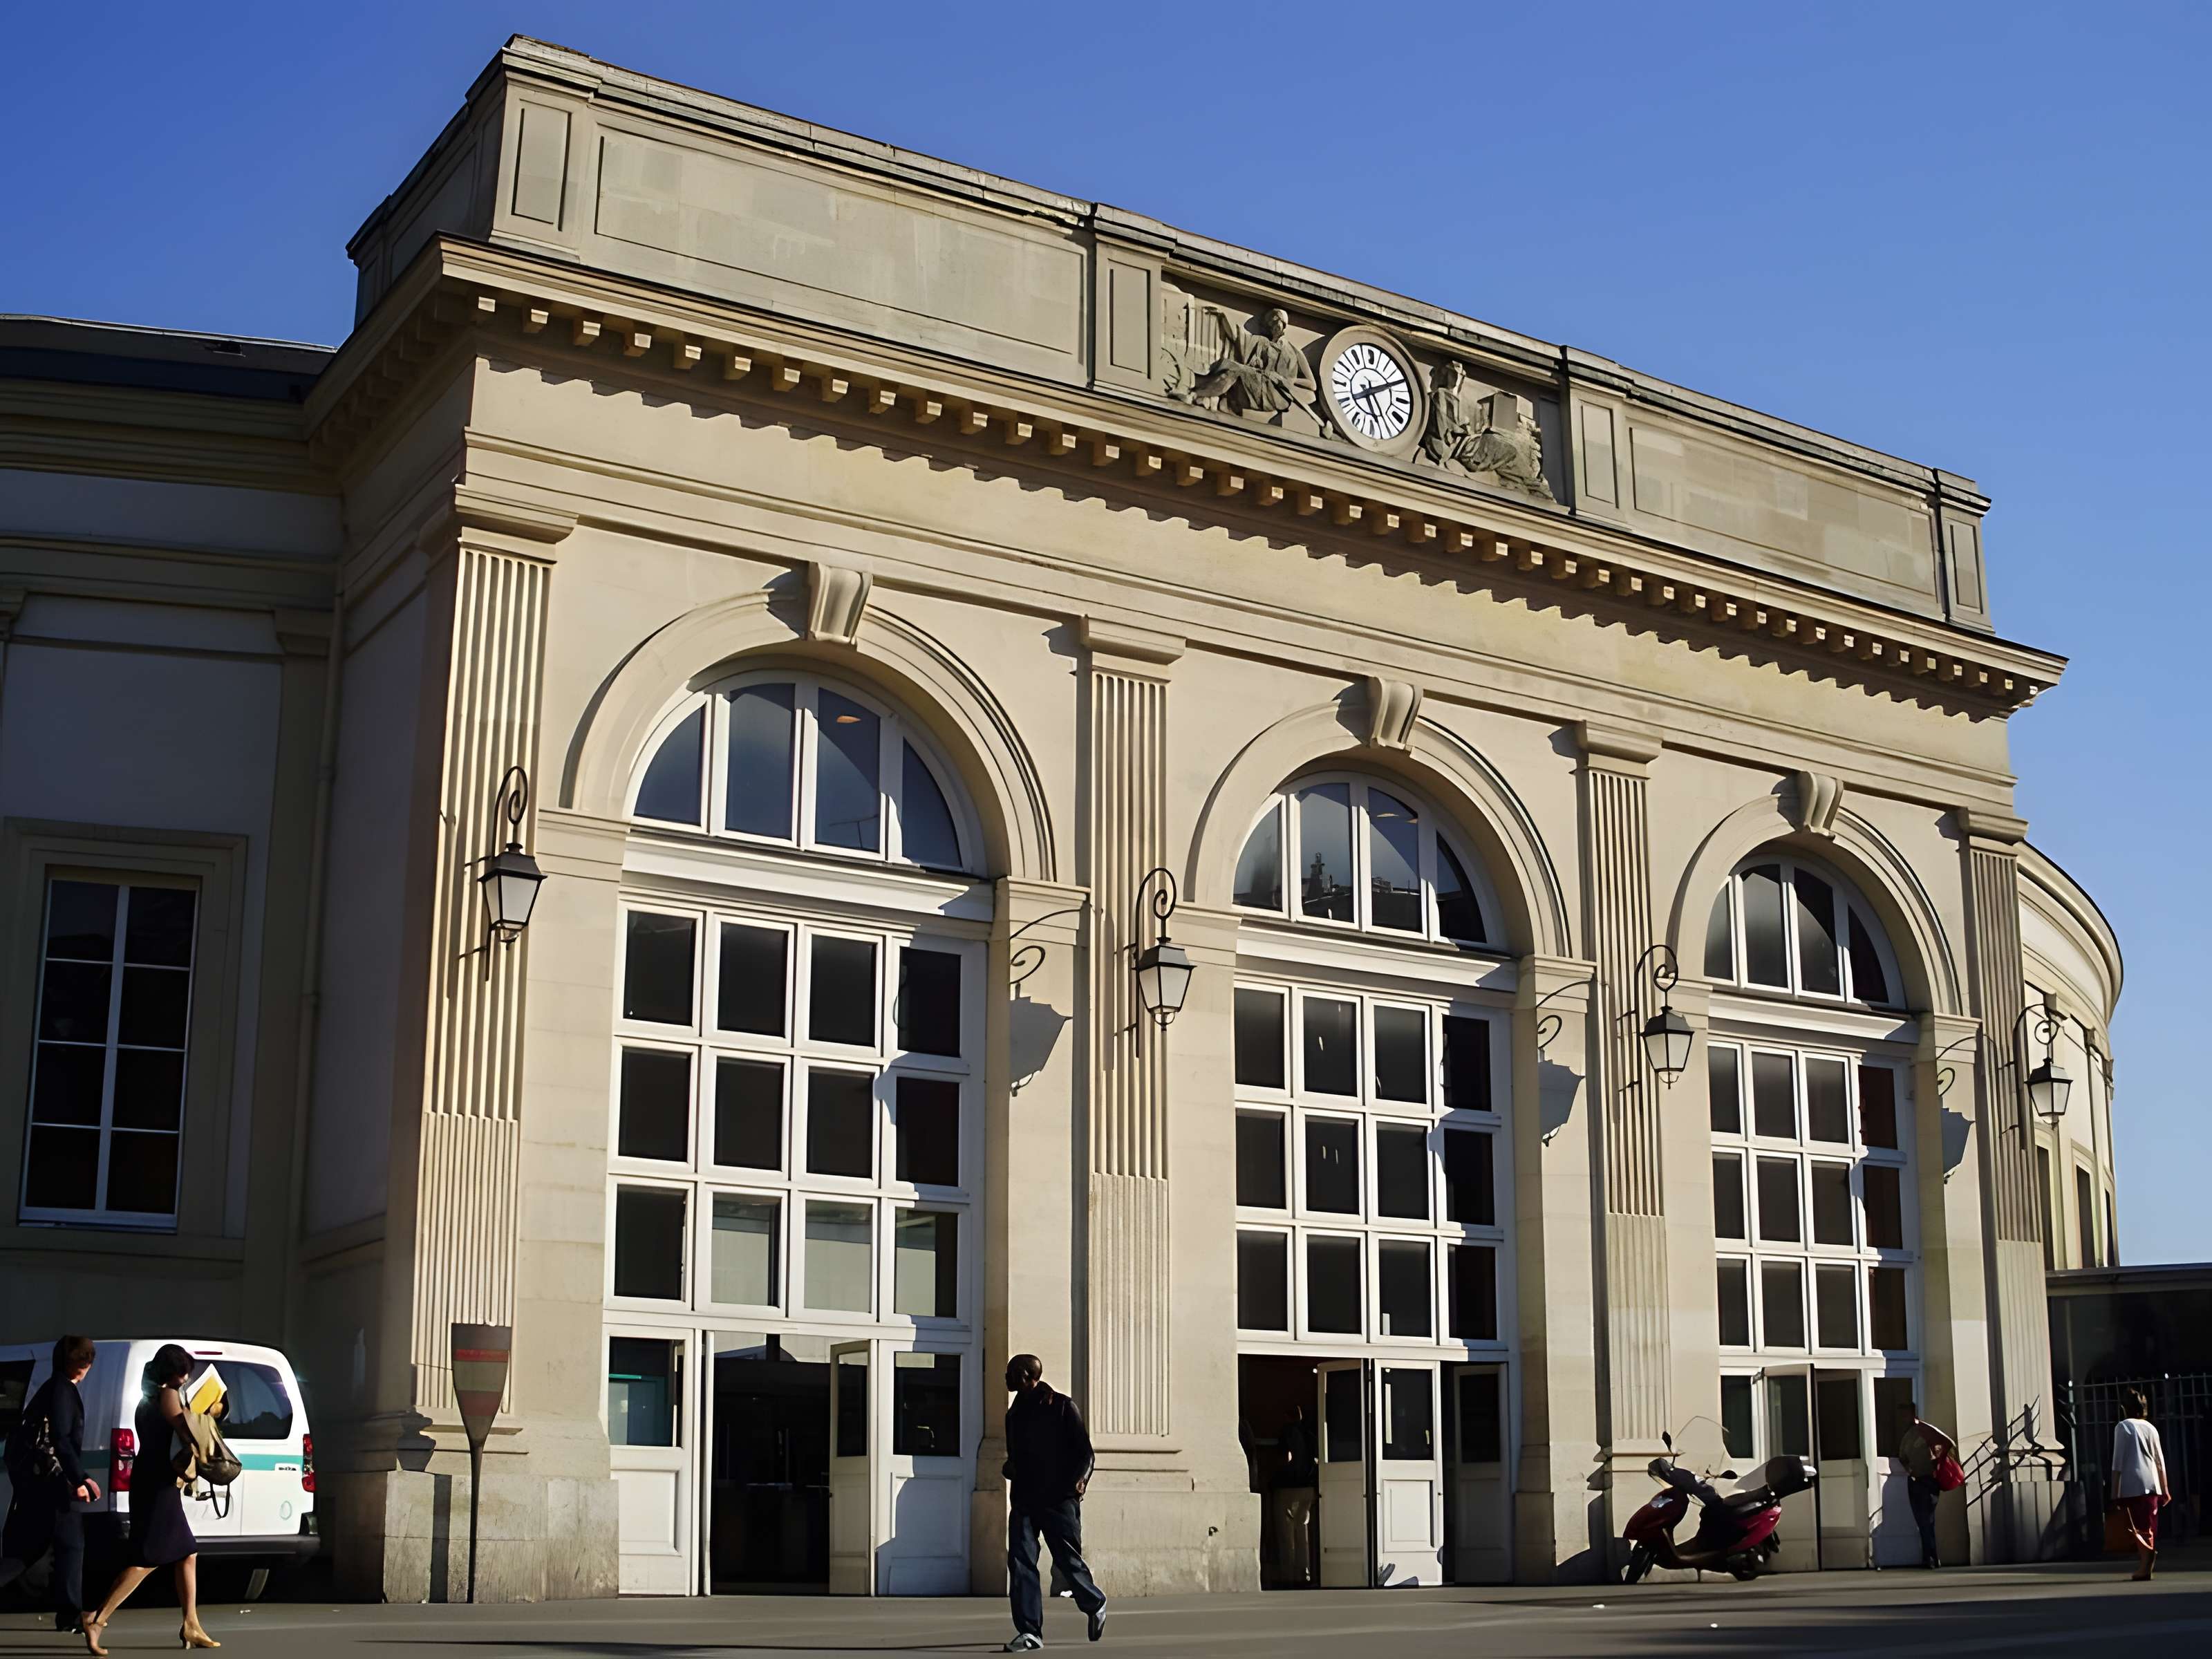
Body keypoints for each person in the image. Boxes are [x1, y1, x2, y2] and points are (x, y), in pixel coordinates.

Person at [82, 1344, 218, 1653]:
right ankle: (97, 1619)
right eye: (182, 1371)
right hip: (157, 1484)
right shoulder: (169, 1393)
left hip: (155, 1480)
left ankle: (191, 1624)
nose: (185, 1378)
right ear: (172, 1372)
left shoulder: (151, 1394)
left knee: (187, 1552)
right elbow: (187, 1431)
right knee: (148, 1558)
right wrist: (210, 1412)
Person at [1000, 1353, 1106, 1652]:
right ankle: (1030, 1632)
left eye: (1010, 1373)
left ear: (1024, 1375)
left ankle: (1094, 1602)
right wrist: (1011, 1467)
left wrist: (1080, 1482)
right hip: (1024, 1499)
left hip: (1058, 1498)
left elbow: (1086, 1453)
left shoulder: (1061, 1406)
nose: (1005, 1378)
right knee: (1020, 1563)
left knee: (1067, 1561)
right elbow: (1018, 1456)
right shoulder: (1014, 1413)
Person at [0, 1335, 100, 1634]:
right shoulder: (63, 1391)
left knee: (25, 1550)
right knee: (71, 1545)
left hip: (39, 1483)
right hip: (51, 1484)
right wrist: (79, 1477)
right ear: (83, 1364)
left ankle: (69, 1614)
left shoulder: (52, 1388)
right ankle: (70, 1615)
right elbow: (60, 1440)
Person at [2110, 1387, 2171, 1581]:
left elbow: (2117, 1462)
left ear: (2123, 1408)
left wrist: (2114, 1491)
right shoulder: (2150, 1427)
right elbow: (2159, 1460)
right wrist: (2165, 1488)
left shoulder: (2123, 1426)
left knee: (2135, 1526)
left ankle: (2146, 1560)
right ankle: (2146, 1561)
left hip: (2132, 1483)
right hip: (2152, 1483)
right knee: (2148, 1525)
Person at [1895, 1399, 1956, 1569]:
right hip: (1920, 1480)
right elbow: (1903, 1458)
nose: (1903, 1418)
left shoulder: (1924, 1433)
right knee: (1925, 1521)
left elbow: (1944, 1447)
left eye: (1905, 1414)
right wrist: (1911, 1471)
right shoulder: (1911, 1435)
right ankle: (1931, 1557)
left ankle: (1930, 1557)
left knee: (1926, 1520)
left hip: (1927, 1481)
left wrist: (1935, 1465)